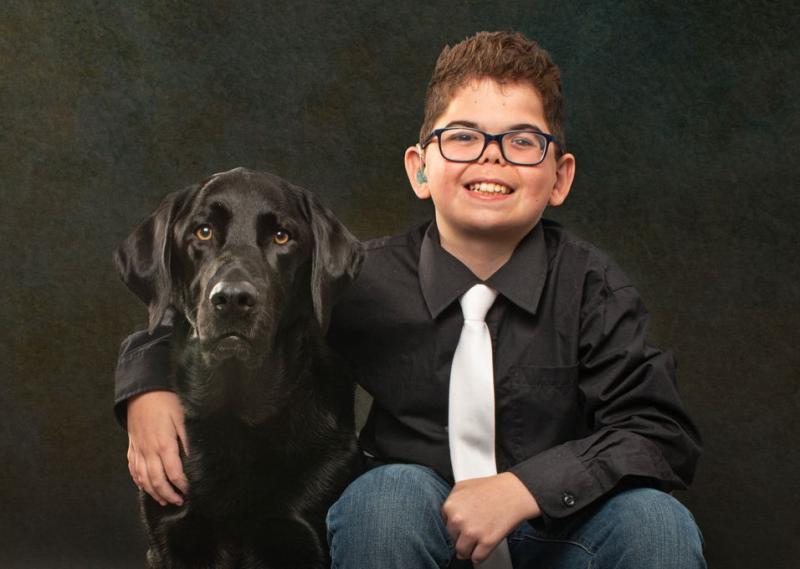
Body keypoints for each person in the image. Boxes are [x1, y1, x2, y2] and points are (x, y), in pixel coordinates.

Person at [114, 31, 706, 568]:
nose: (490, 156)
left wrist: (524, 488)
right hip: (419, 532)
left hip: (558, 534)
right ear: (420, 169)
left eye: (522, 140)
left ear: (560, 176)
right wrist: (144, 385)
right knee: (383, 498)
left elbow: (657, 431)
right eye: (464, 137)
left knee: (656, 519)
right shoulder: (359, 279)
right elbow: (238, 306)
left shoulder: (593, 289)